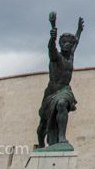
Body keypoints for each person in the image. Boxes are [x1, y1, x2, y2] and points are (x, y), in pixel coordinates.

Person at [36, 12, 84, 148]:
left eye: (70, 42)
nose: (67, 44)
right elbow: (51, 48)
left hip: (65, 90)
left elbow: (77, 42)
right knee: (42, 126)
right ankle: (40, 144)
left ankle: (62, 136)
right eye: (64, 42)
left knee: (62, 103)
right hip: (51, 92)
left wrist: (79, 30)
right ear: (61, 44)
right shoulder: (55, 57)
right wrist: (52, 37)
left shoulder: (71, 56)